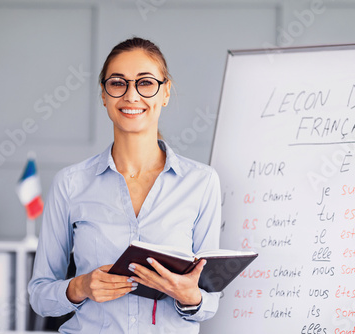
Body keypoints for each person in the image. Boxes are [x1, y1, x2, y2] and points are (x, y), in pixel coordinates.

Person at [28, 37, 221, 333]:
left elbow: (209, 302)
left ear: (165, 92)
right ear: (104, 94)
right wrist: (80, 286)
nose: (131, 95)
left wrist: (189, 295)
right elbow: (40, 297)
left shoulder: (201, 182)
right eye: (118, 83)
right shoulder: (70, 184)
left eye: (145, 83)